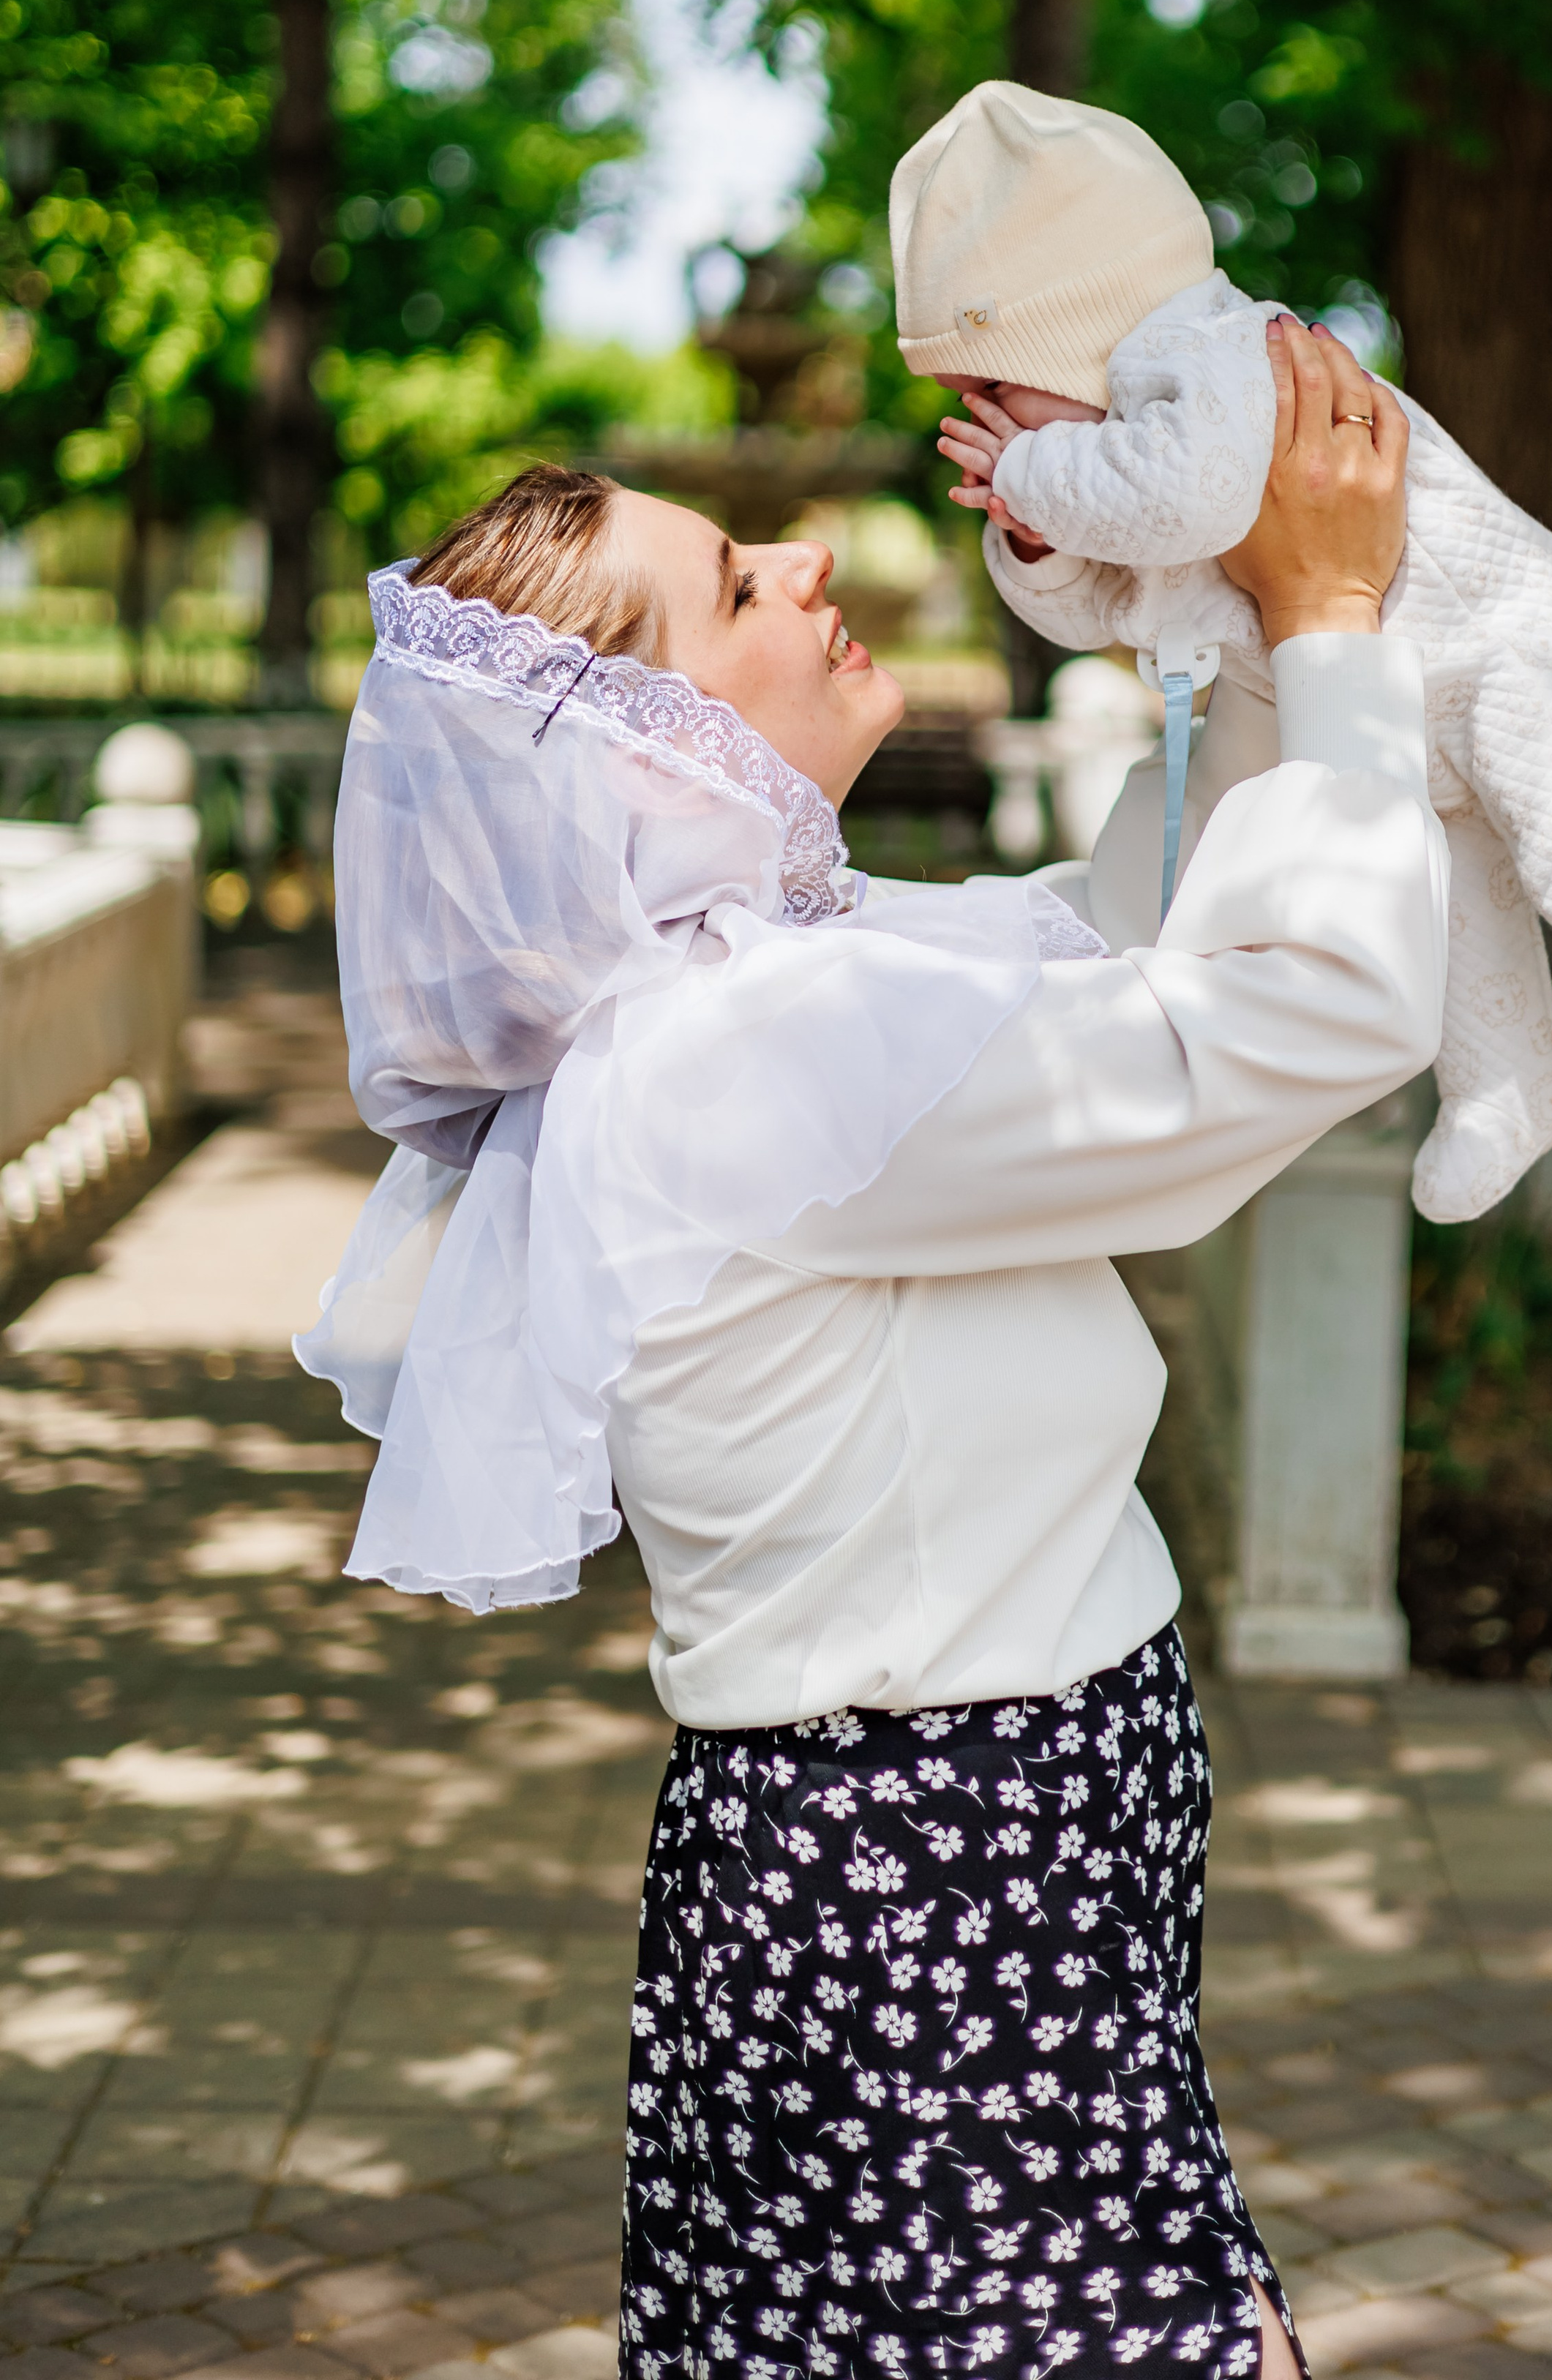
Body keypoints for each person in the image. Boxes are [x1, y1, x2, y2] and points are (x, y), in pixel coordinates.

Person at [296, 336, 1444, 2380]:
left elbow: (1120, 942)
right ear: (639, 757)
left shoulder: (755, 992)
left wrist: (1217, 613)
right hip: (944, 1885)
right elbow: (1287, 1026)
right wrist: (1334, 620)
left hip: (922, 1867)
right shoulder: (746, 1054)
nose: (814, 558)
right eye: (737, 586)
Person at [900, 78, 1552, 1228]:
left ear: (1073, 328)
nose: (987, 419)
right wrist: (1037, 537)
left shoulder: (1210, 357)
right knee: (1461, 900)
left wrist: (1026, 475)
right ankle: (1506, 1087)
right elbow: (1106, 607)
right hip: (1399, 687)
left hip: (1515, 652)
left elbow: (1192, 502)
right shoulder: (1131, 433)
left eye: (995, 386)